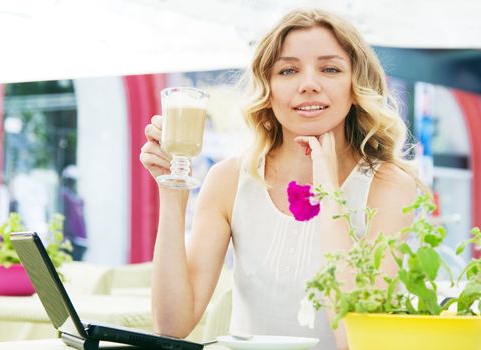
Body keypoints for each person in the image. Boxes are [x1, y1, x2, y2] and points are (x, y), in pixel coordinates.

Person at [140, 8, 418, 350]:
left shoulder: (389, 186)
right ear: (268, 90)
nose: (309, 85)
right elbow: (172, 324)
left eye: (330, 69)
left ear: (355, 85)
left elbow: (356, 340)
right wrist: (172, 191)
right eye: (288, 70)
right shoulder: (228, 180)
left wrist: (329, 191)